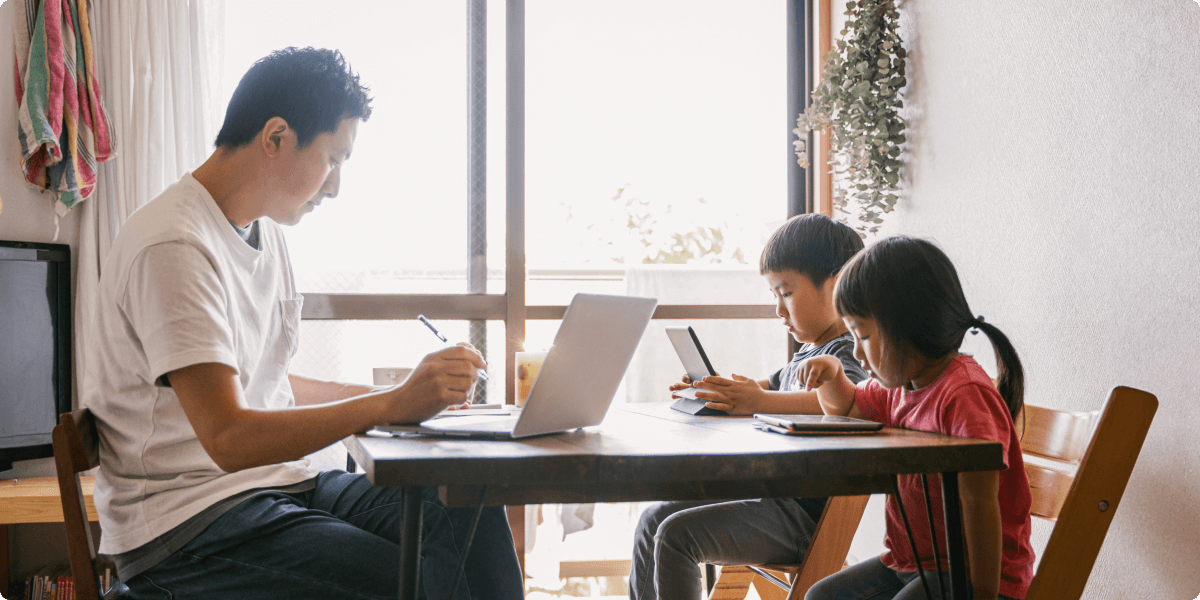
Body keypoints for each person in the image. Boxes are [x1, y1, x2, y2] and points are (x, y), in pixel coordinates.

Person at [83, 47, 523, 600]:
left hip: (274, 487)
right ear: (275, 138)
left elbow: (267, 387)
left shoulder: (265, 236)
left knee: (464, 503)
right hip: (188, 523)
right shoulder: (175, 243)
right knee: (408, 581)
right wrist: (390, 405)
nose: (335, 186)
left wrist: (401, 396)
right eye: (333, 159)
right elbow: (229, 436)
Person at [629, 214, 870, 600]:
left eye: (787, 293)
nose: (779, 309)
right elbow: (765, 387)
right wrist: (716, 390)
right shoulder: (806, 354)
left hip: (803, 517)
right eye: (774, 295)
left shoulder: (842, 354)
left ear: (837, 283)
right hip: (769, 499)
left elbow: (851, 398)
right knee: (652, 519)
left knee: (676, 536)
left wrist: (758, 401)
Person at [798, 235, 1035, 600]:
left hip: (973, 575)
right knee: (820, 597)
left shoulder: (964, 395)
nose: (857, 353)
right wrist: (832, 374)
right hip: (908, 564)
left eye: (862, 335)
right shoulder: (900, 386)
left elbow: (980, 502)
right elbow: (847, 408)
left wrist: (983, 596)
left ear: (906, 327)